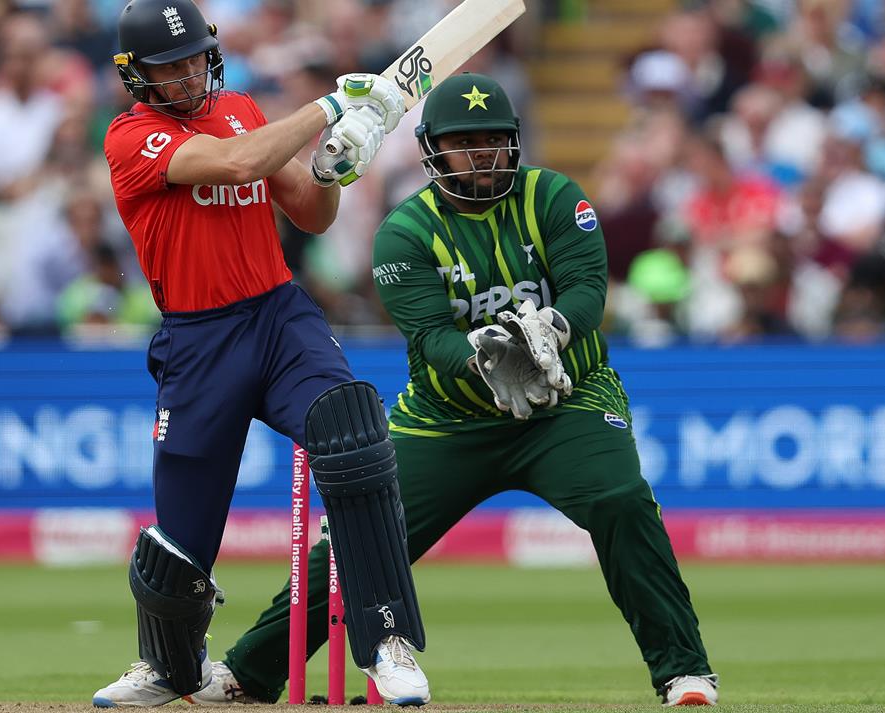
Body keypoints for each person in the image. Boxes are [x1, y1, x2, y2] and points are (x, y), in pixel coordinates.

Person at [192, 73, 718, 707]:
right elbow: (430, 339)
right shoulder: (405, 231)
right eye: (466, 143)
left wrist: (551, 326)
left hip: (565, 401)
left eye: (494, 141)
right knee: (358, 539)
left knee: (623, 502)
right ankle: (250, 673)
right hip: (448, 419)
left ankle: (684, 673)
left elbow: (587, 289)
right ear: (432, 151)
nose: (483, 156)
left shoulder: (554, 196)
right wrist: (482, 356)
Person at [91, 0, 430, 707]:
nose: (187, 75)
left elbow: (306, 208)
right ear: (136, 77)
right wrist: (329, 105)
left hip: (279, 319)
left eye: (193, 59)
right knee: (174, 551)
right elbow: (237, 162)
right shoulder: (131, 138)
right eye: (169, 66)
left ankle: (388, 641)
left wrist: (334, 165)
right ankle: (172, 669)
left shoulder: (241, 108)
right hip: (197, 341)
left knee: (353, 436)